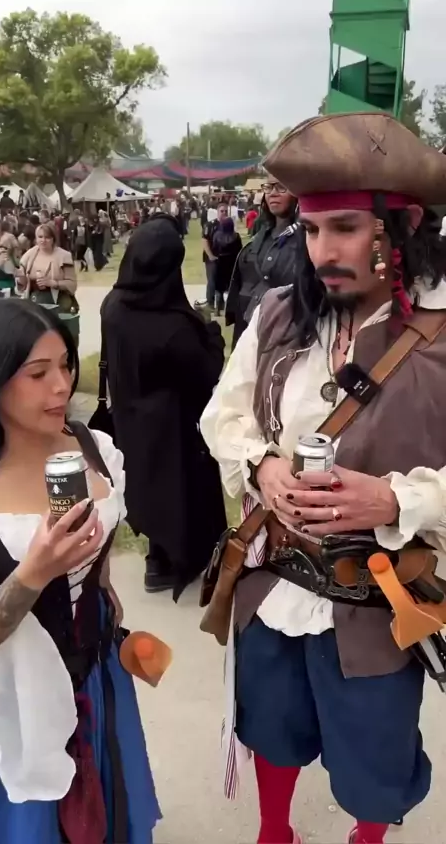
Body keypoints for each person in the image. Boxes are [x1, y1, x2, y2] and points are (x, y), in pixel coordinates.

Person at [200, 113, 446, 844]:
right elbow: (221, 415)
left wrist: (395, 498)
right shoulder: (280, 314)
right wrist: (263, 465)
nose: (322, 251)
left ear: (400, 228)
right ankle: (274, 832)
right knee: (272, 729)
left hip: (379, 599)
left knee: (374, 757)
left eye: (344, 228)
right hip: (274, 579)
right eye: (310, 230)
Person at [0, 298, 160, 843]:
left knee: (109, 810)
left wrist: (100, 587)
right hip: (9, 696)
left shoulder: (93, 448)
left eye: (66, 365)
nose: (62, 385)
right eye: (38, 373)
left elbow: (99, 549)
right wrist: (34, 572)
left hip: (95, 672)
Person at [101, 214, 227, 597]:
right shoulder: (174, 327)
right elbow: (206, 372)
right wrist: (213, 335)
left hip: (130, 416)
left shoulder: (113, 306)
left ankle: (157, 559)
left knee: (146, 486)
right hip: (173, 428)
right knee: (179, 493)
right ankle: (175, 561)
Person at [226, 179, 301, 349]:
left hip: (283, 335)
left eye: (281, 187)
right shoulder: (260, 234)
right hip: (246, 329)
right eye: (268, 187)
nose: (273, 193)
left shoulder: (306, 239)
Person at [17, 223, 77, 311]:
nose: (43, 240)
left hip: (58, 302)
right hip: (34, 302)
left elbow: (72, 284)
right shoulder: (29, 255)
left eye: (47, 237)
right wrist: (21, 278)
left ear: (53, 239)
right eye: (40, 237)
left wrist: (53, 283)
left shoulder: (64, 256)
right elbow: (22, 285)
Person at [210, 216, 242, 315]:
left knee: (219, 288)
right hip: (232, 264)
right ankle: (231, 309)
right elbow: (239, 249)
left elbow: (214, 249)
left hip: (220, 263)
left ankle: (217, 309)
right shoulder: (236, 236)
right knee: (232, 287)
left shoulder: (216, 235)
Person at [202, 201, 229, 310]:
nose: (224, 213)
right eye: (222, 211)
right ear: (217, 212)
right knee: (212, 281)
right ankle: (210, 303)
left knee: (222, 281)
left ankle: (220, 304)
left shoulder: (228, 225)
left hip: (224, 258)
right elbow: (204, 241)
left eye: (226, 211)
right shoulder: (210, 225)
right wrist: (210, 255)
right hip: (211, 258)